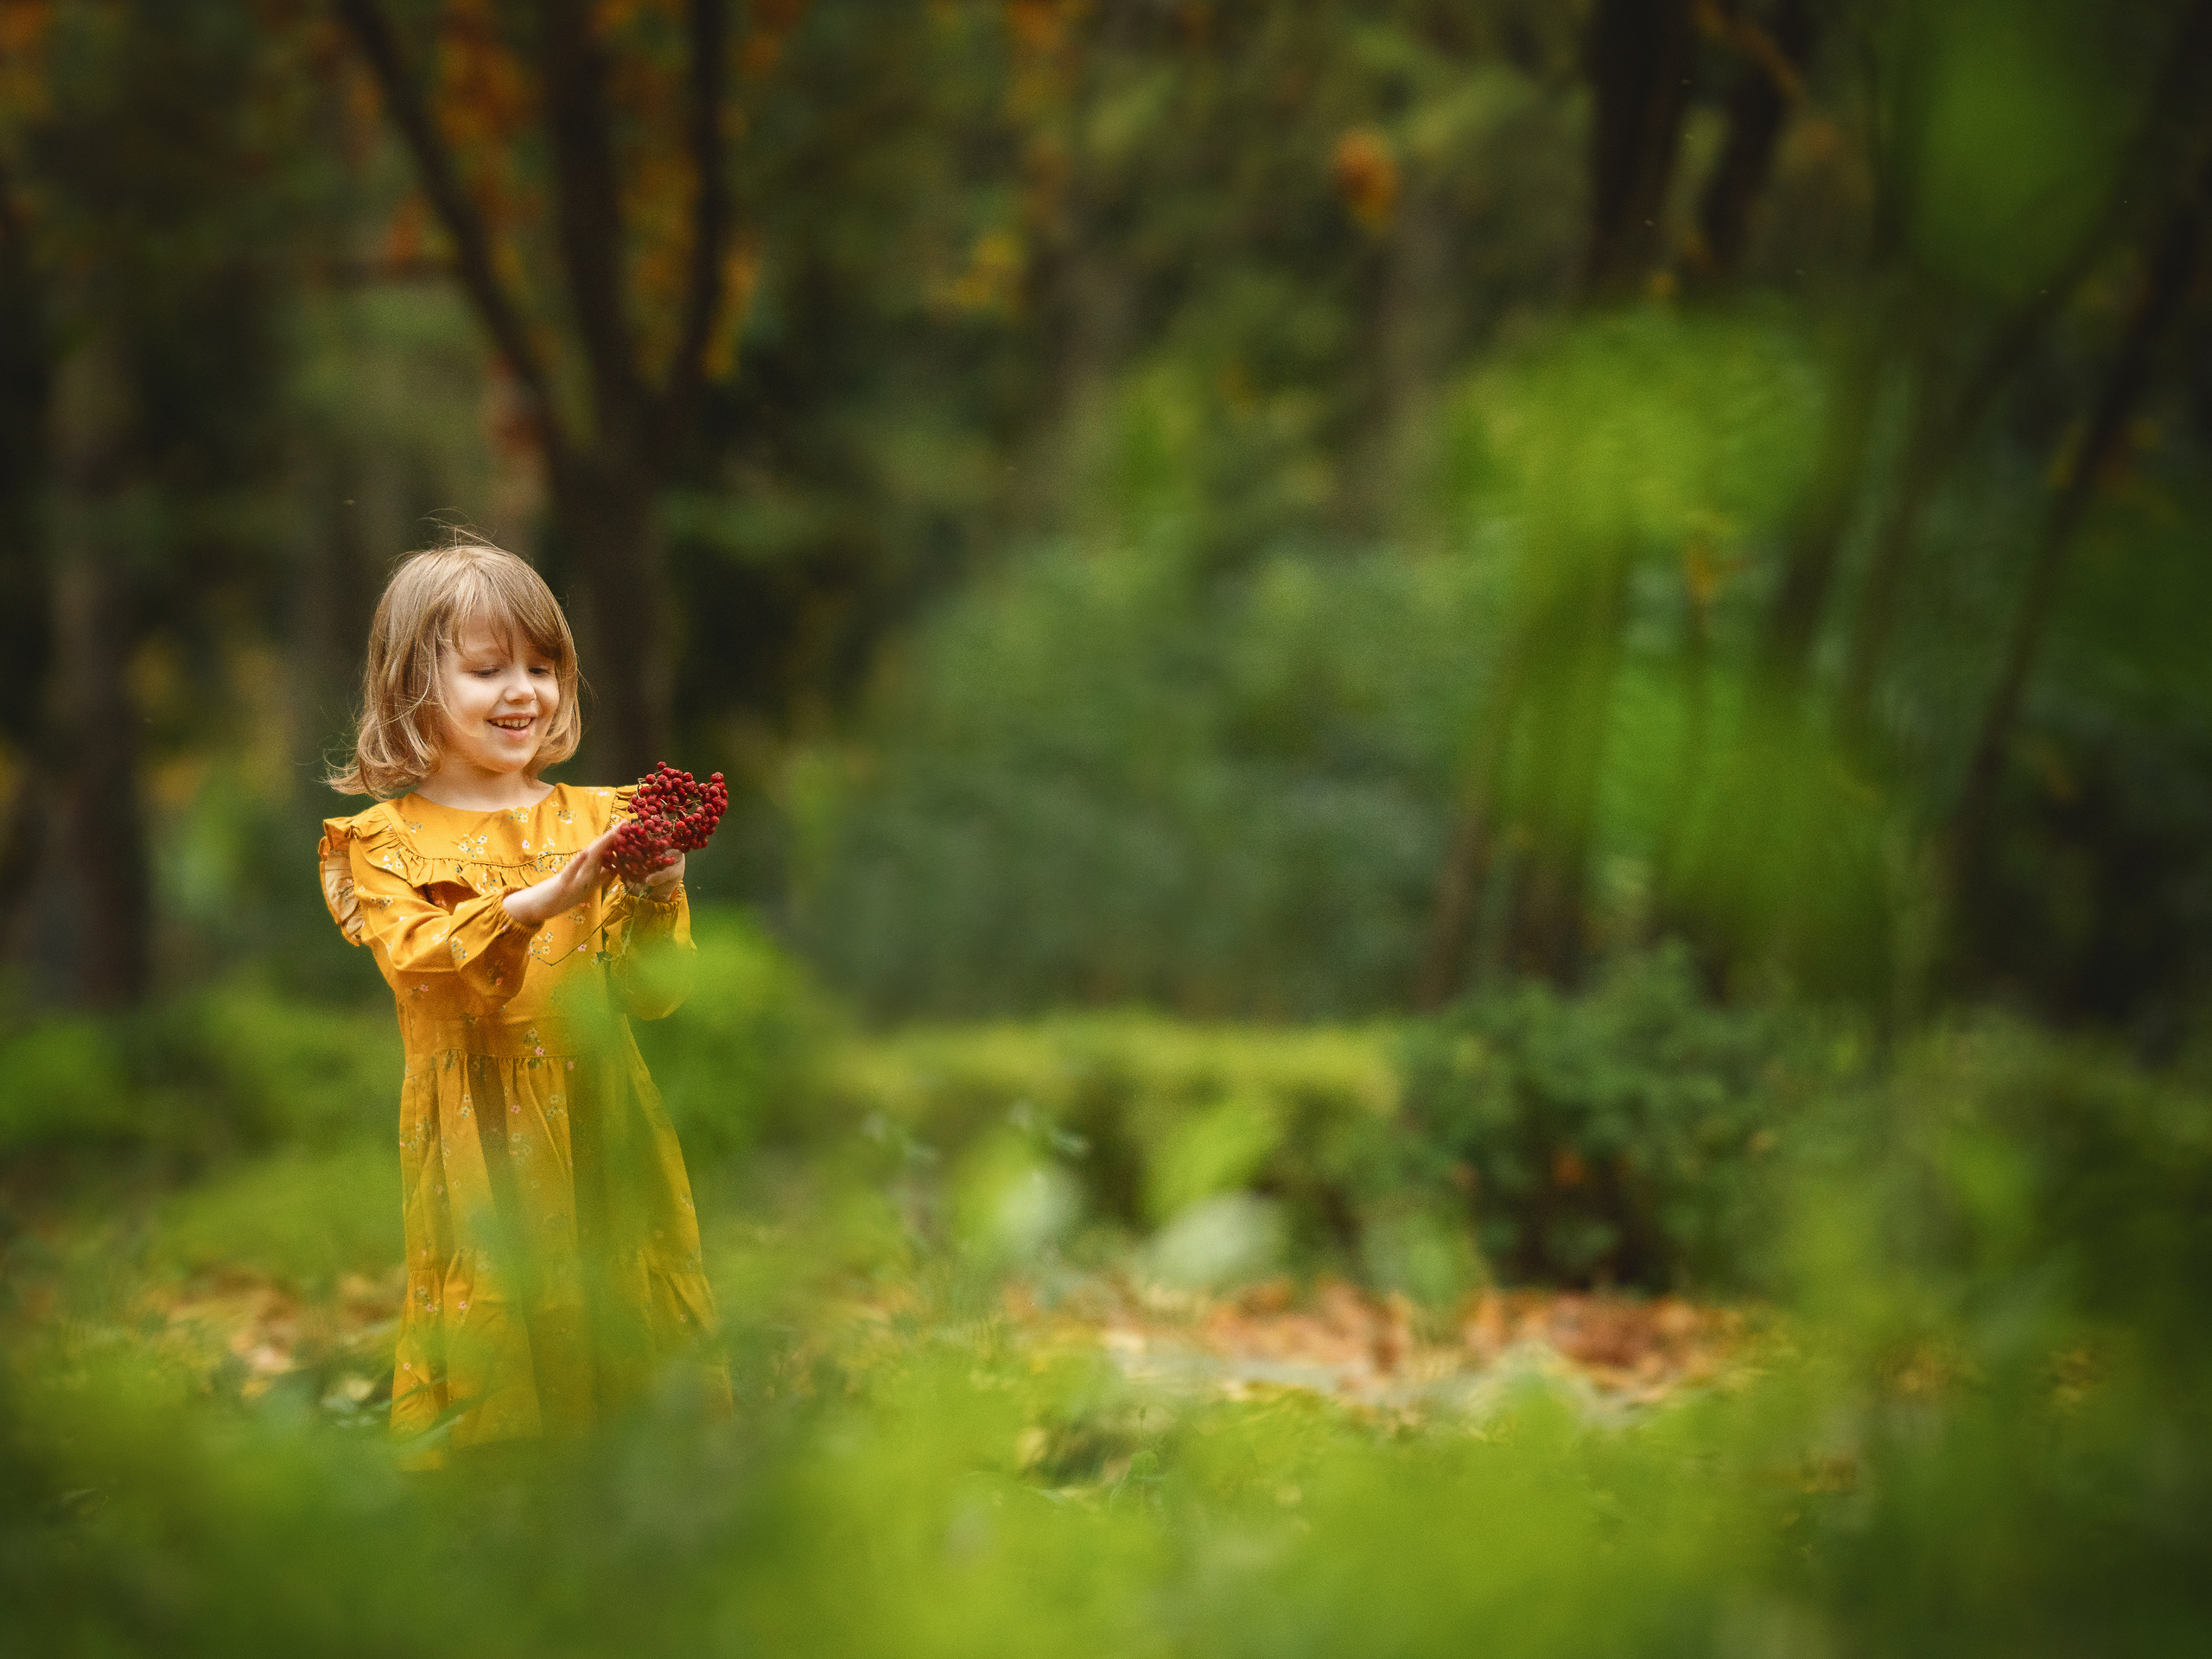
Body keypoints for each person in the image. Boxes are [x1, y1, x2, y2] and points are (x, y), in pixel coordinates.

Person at [320, 539, 728, 1465]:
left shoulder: (603, 821)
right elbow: (423, 964)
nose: (524, 692)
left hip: (601, 1119)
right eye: (487, 668)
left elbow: (651, 995)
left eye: (543, 667)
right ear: (411, 685)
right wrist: (542, 903)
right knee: (495, 1309)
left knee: (618, 1299)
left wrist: (659, 889)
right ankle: (498, 1531)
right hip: (476, 1137)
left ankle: (630, 1527)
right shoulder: (383, 844)